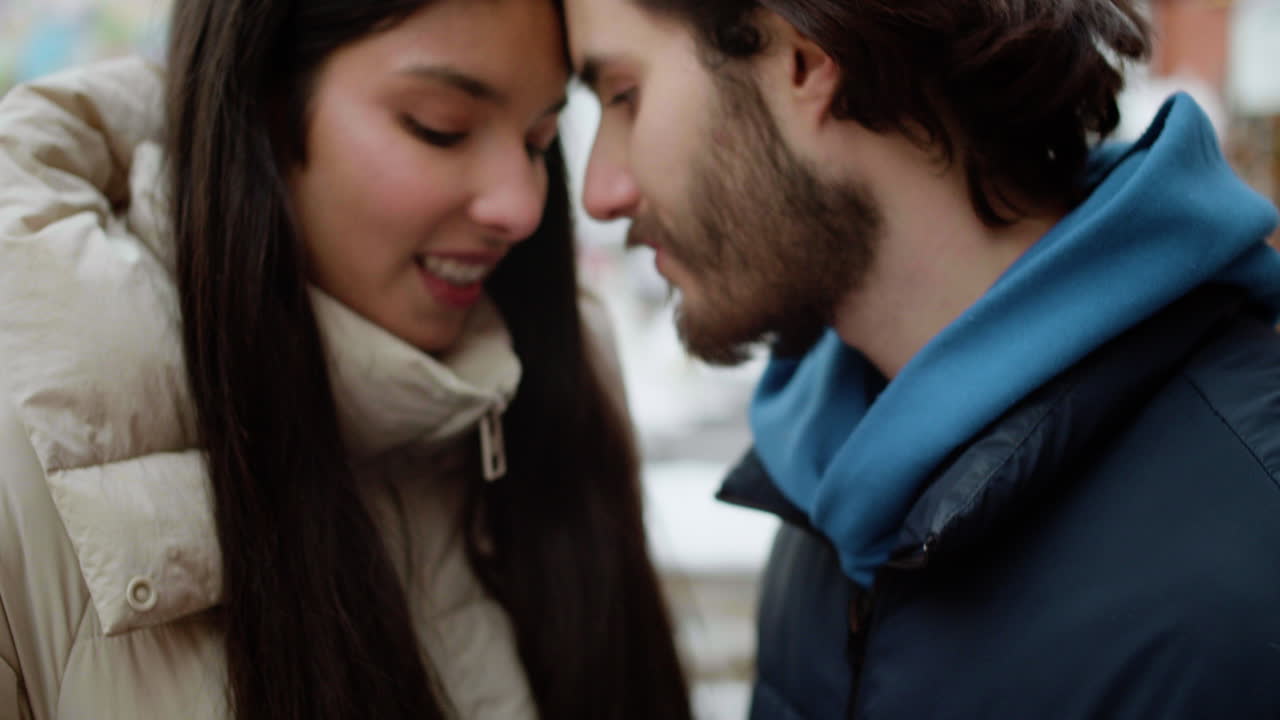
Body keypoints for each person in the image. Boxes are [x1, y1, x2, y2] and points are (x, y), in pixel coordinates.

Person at [565, 0, 1280, 717]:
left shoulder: (1254, 546)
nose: (600, 191)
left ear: (804, 59)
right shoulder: (831, 475)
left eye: (625, 96)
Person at [0, 1, 693, 719]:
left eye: (539, 139)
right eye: (442, 127)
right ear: (264, 104)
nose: (521, 207)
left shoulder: (569, 364)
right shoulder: (36, 452)